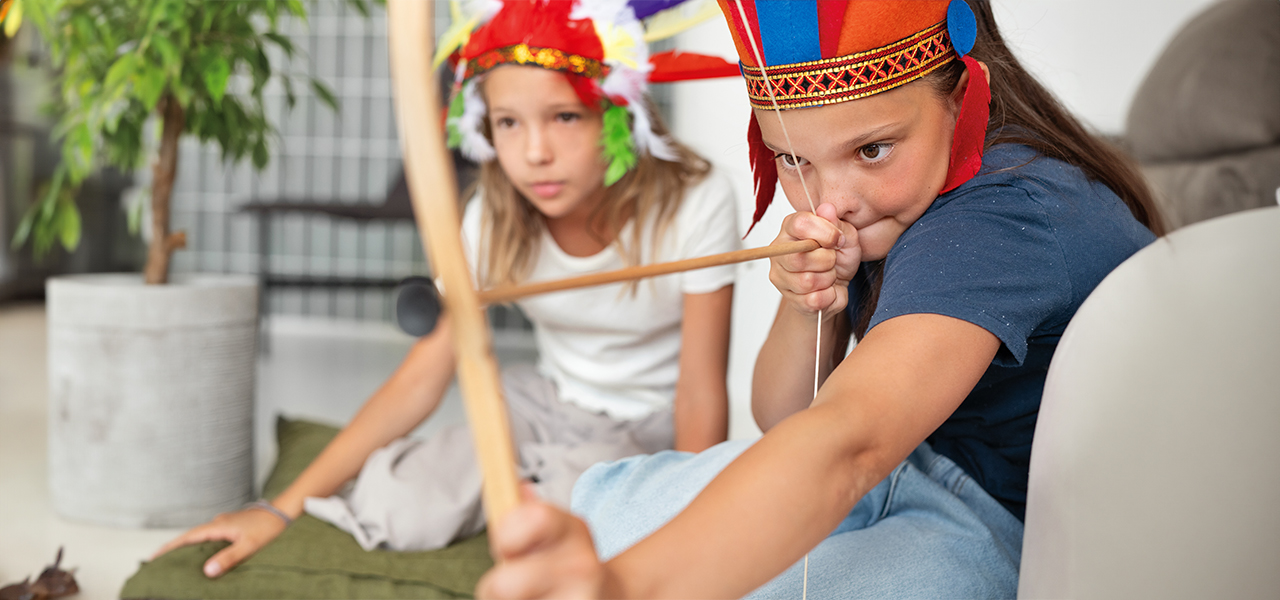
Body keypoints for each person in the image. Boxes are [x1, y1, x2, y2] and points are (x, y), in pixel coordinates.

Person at [476, 1, 1166, 598]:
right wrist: (808, 300)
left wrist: (628, 588)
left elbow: (850, 442)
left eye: (871, 150)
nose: (829, 202)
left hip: (1009, 526)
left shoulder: (999, 220)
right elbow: (784, 416)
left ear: (960, 98)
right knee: (604, 510)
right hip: (909, 466)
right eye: (794, 159)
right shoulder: (888, 204)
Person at [154, 0, 741, 579]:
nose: (535, 153)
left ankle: (544, 487)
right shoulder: (491, 215)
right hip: (541, 401)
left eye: (565, 116)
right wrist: (275, 508)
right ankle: (531, 479)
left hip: (650, 425)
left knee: (577, 537)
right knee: (395, 506)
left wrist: (680, 517)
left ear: (619, 111)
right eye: (509, 123)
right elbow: (426, 370)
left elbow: (698, 391)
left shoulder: (695, 201)